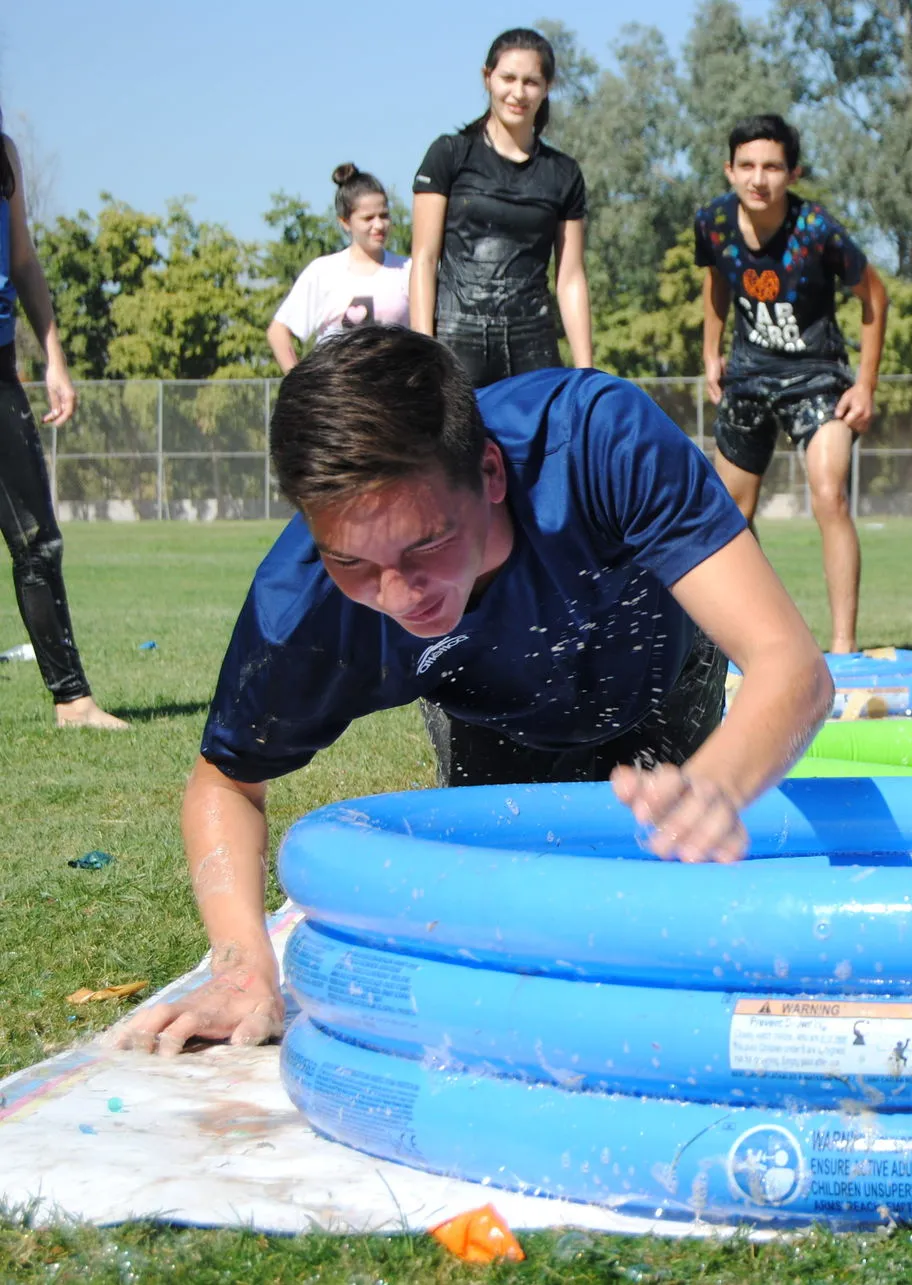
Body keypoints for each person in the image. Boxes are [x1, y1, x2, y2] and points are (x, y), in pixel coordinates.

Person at [116, 327, 832, 1054]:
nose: (398, 594)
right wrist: (240, 966)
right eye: (353, 560)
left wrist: (713, 786)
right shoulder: (306, 603)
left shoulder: (598, 443)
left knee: (662, 944)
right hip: (496, 714)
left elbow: (793, 667)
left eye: (425, 544)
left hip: (659, 678)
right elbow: (226, 781)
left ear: (491, 472)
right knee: (514, 950)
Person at [699, 114, 888, 654]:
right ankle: (757, 640)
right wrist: (710, 352)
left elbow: (874, 298)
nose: (759, 178)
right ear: (730, 169)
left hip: (817, 377)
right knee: (730, 515)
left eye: (773, 167)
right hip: (749, 373)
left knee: (829, 495)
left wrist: (866, 385)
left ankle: (844, 646)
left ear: (793, 172)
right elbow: (716, 283)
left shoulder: (817, 229)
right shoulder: (712, 222)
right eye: (748, 166)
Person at [1, 114, 126, 730]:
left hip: (1, 370)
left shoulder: (4, 153)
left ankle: (73, 701)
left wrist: (53, 357)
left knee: (37, 539)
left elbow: (22, 259)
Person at [410, 28, 591, 387]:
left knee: (543, 443)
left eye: (531, 82)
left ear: (548, 87)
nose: (518, 92)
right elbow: (424, 260)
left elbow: (570, 277)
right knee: (457, 444)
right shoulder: (449, 154)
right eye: (508, 78)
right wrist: (423, 349)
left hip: (533, 343)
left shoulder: (563, 172)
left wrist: (586, 371)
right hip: (455, 339)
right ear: (487, 77)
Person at [267, 164, 409, 372]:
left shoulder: (408, 270)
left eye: (384, 215)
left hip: (393, 396)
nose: (378, 225)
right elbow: (278, 332)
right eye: (368, 218)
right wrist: (299, 385)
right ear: (345, 222)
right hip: (337, 399)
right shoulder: (323, 272)